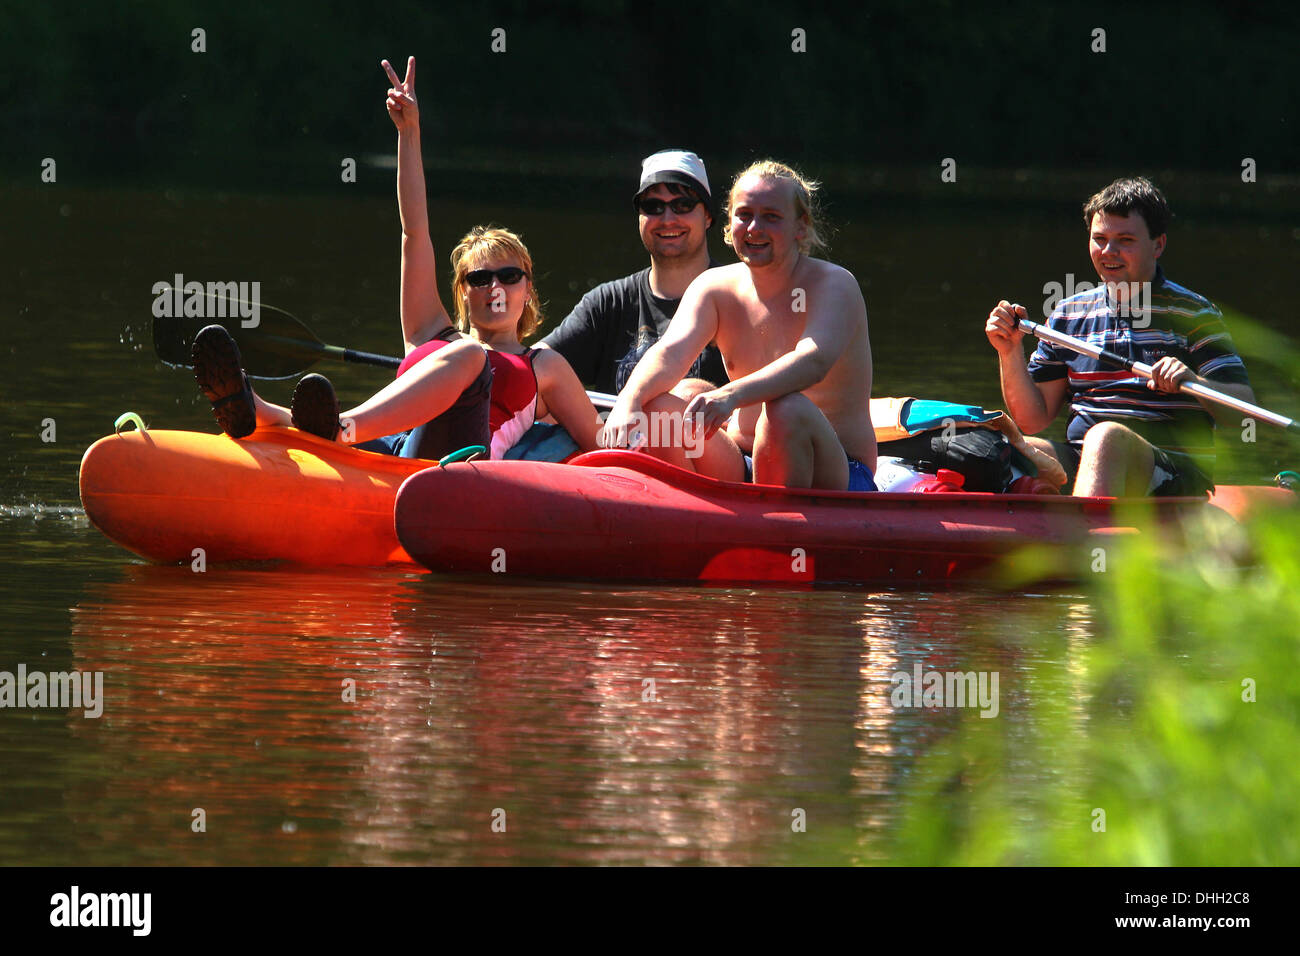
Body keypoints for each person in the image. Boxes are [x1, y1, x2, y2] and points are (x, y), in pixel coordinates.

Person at [193, 57, 602, 460]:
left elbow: (601, 445)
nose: (494, 286)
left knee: (472, 358)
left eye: (509, 275)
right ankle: (254, 409)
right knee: (464, 354)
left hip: (460, 472)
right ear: (463, 293)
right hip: (397, 450)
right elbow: (414, 232)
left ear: (528, 288)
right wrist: (410, 132)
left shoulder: (543, 366)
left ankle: (338, 427)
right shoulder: (429, 332)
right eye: (480, 278)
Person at [602, 160, 877, 492]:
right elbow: (670, 353)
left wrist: (730, 395)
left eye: (771, 217)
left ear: (800, 227)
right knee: (659, 405)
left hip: (838, 471)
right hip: (743, 461)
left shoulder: (833, 284)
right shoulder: (714, 287)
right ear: (728, 224)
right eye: (744, 215)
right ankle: (688, 515)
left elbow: (813, 363)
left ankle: (780, 527)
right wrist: (629, 401)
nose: (754, 228)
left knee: (785, 408)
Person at [984, 176, 1254, 497]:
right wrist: (1009, 350)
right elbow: (1032, 419)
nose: (1109, 251)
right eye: (1100, 238)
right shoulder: (1067, 314)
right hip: (1086, 460)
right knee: (1001, 444)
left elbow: (1243, 413)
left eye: (1125, 240)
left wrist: (1193, 381)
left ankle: (1089, 540)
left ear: (1158, 245)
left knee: (1106, 436)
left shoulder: (1194, 315)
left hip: (1173, 472)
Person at [538, 149, 728, 401]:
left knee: (689, 392)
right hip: (615, 440)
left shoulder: (738, 296)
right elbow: (537, 366)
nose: (668, 219)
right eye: (653, 206)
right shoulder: (607, 303)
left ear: (707, 216)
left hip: (706, 440)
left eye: (683, 204)